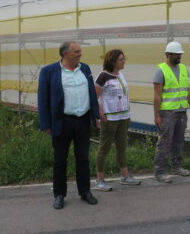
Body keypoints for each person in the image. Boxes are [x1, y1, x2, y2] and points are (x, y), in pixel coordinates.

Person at [38, 41, 100, 210]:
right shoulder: (49, 72)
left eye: (80, 51)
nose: (80, 54)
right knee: (60, 160)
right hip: (62, 121)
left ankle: (85, 191)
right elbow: (43, 99)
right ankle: (59, 195)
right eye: (77, 52)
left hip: (82, 120)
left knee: (83, 158)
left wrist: (96, 116)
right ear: (65, 54)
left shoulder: (84, 69)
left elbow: (92, 93)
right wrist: (45, 124)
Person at [94, 49, 141, 191]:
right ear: (113, 61)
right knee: (104, 148)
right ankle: (99, 179)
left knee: (122, 147)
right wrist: (100, 114)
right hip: (109, 118)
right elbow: (94, 97)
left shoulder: (121, 74)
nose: (124, 61)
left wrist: (128, 114)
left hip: (123, 117)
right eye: (121, 59)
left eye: (123, 58)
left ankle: (125, 176)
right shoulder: (103, 76)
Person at [153, 41, 190, 183]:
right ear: (168, 54)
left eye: (180, 54)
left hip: (181, 111)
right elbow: (157, 96)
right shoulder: (161, 71)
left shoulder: (183, 69)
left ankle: (176, 166)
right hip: (167, 112)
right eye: (176, 55)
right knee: (164, 142)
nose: (179, 57)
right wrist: (157, 116)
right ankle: (160, 171)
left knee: (178, 141)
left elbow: (187, 90)